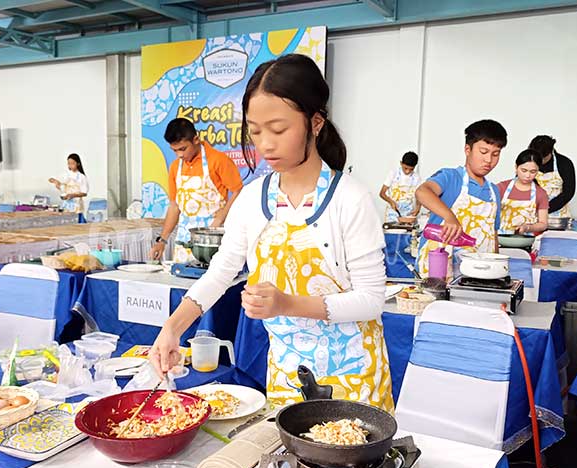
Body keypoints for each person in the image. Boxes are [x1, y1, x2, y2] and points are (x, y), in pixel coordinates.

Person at [148, 54, 393, 411]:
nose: (265, 144)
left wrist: (286, 304)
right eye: (255, 130)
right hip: (286, 374)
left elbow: (371, 300)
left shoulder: (350, 199)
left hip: (351, 376)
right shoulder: (252, 199)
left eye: (278, 130)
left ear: (315, 122)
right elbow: (220, 272)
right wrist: (173, 327)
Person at [414, 120, 506, 276]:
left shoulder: (493, 191)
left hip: (477, 276)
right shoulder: (451, 177)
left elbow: (493, 235)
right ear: (467, 149)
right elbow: (422, 191)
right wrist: (449, 217)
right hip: (439, 273)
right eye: (483, 152)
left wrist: (496, 271)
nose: (489, 160)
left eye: (495, 154)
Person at [147, 118, 243, 263]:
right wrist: (162, 241)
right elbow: (174, 206)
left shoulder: (219, 160)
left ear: (196, 139)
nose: (179, 155)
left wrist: (221, 216)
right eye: (174, 150)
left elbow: (239, 191)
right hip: (184, 240)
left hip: (214, 237)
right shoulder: (174, 167)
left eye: (183, 149)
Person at [496, 149, 550, 234]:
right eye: (524, 170)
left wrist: (527, 227)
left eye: (533, 172)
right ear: (516, 167)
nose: (527, 175)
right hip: (500, 237)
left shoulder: (540, 193)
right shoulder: (501, 188)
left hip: (526, 240)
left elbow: (543, 224)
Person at [529, 135, 575, 217]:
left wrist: (545, 209)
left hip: (558, 216)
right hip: (532, 214)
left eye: (543, 158)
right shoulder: (526, 163)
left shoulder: (564, 163)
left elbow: (568, 193)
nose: (539, 161)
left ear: (551, 151)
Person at [379, 151, 421, 223]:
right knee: (392, 230)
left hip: (408, 211)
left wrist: (418, 208)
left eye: (411, 169)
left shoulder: (416, 178)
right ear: (401, 163)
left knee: (407, 231)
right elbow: (382, 193)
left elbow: (419, 196)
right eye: (405, 168)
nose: (408, 171)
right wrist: (391, 202)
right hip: (393, 210)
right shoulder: (393, 174)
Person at [48, 153, 88, 217]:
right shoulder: (67, 175)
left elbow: (84, 193)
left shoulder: (82, 177)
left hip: (77, 205)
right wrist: (55, 182)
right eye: (69, 163)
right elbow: (63, 188)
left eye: (72, 163)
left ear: (78, 164)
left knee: (77, 225)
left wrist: (72, 195)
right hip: (67, 205)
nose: (70, 165)